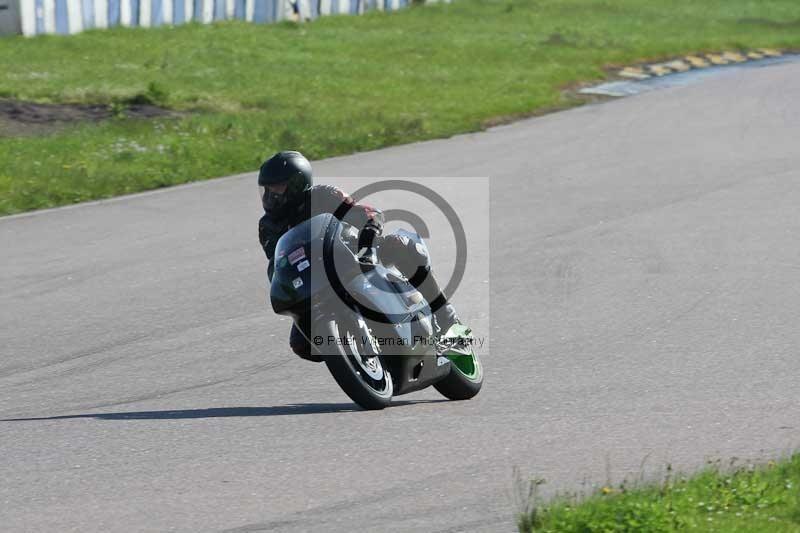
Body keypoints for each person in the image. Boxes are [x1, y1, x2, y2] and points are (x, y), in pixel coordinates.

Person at [257, 150, 460, 360]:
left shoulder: (324, 195)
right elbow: (278, 262)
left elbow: (367, 213)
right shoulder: (267, 226)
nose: (270, 196)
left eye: (277, 188)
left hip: (356, 254)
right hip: (315, 278)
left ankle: (446, 317)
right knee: (301, 343)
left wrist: (368, 237)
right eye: (266, 189)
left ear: (298, 183)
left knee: (402, 245)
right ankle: (356, 353)